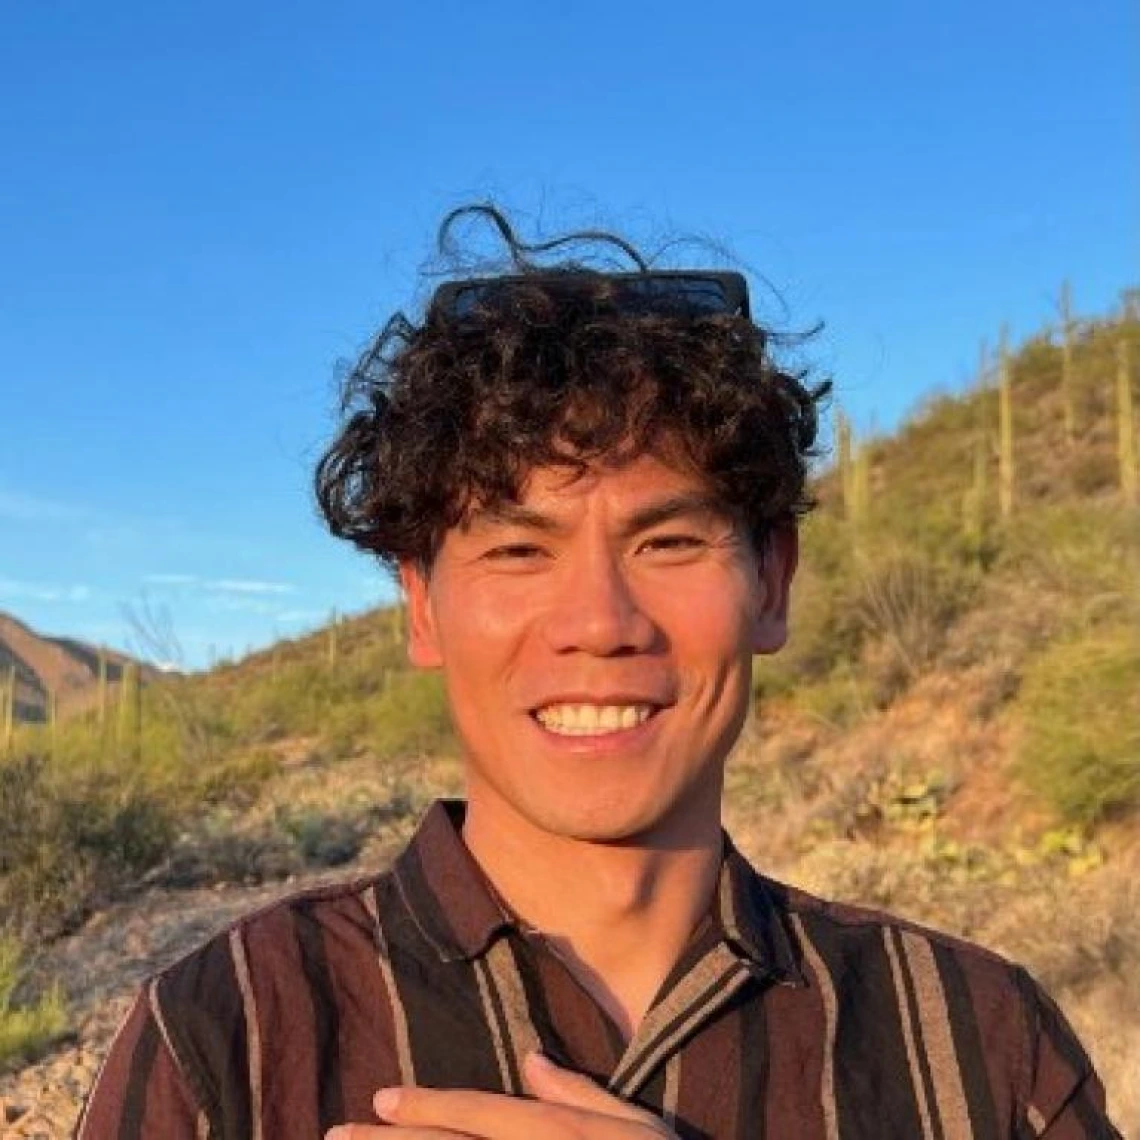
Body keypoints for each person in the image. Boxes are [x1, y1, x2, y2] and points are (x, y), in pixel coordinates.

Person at [77, 207, 1120, 1139]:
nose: (599, 624)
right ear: (423, 607)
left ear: (773, 584)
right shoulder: (226, 1032)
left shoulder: (980, 1042)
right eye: (517, 550)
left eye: (667, 544)